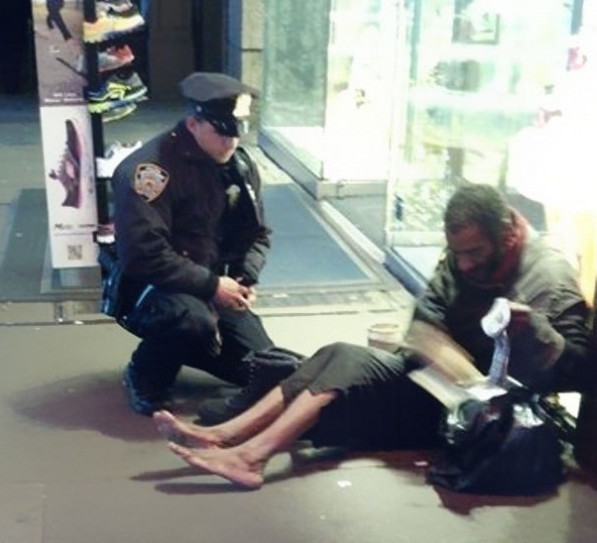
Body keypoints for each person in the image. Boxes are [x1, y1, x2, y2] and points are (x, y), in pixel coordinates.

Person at [152, 183, 597, 489]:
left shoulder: (549, 278)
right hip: (442, 385)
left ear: (509, 234)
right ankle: (228, 435)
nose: (463, 264)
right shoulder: (467, 253)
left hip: (484, 415)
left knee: (347, 367)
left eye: (474, 253)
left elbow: (577, 372)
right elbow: (427, 313)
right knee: (338, 352)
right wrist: (434, 345)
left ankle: (251, 456)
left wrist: (534, 332)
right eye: (457, 253)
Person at [109, 72, 284, 417]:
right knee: (190, 322)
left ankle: (196, 342)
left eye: (238, 130)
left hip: (212, 284)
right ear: (193, 123)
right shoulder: (150, 171)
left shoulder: (238, 165)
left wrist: (245, 277)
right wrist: (213, 286)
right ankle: (144, 374)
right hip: (153, 288)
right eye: (223, 131)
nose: (232, 141)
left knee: (262, 370)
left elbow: (258, 233)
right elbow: (143, 255)